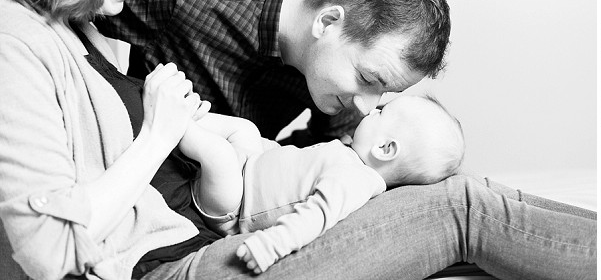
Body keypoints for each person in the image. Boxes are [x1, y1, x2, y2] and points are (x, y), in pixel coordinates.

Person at [0, 0, 596, 279]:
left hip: (211, 223)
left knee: (457, 185)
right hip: (192, 252)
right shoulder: (160, 2)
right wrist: (165, 132)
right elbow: (52, 242)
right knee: (462, 209)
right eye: (367, 80)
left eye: (383, 98)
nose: (367, 110)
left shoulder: (85, 39)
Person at [179, 95, 465, 273]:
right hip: (250, 168)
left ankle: (174, 122)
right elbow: (293, 167)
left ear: (385, 148)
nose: (369, 111)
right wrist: (266, 149)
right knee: (246, 129)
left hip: (235, 204)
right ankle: (190, 112)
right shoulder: (348, 157)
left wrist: (270, 245)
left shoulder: (356, 181)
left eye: (381, 112)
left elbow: (314, 218)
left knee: (219, 157)